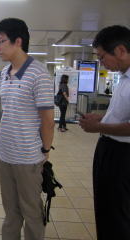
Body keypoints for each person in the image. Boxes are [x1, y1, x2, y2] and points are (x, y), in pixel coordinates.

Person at [0, 18, 55, 240]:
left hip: (28, 157)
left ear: (18, 41)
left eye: (1, 41)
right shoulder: (4, 72)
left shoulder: (39, 74)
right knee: (11, 211)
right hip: (4, 154)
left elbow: (48, 119)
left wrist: (45, 150)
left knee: (31, 212)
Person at [79, 25, 130, 240]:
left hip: (123, 155)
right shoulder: (123, 78)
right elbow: (121, 115)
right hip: (109, 149)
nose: (102, 64)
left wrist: (99, 127)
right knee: (105, 207)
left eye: (102, 57)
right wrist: (101, 118)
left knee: (117, 211)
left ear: (119, 50)